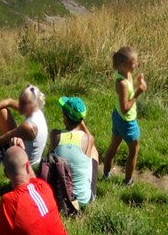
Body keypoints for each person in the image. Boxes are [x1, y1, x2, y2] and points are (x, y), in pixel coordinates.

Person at [0, 148, 69, 235]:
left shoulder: (10, 202)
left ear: (6, 173)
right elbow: (32, 175)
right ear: (28, 165)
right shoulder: (43, 187)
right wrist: (22, 152)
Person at [102, 46, 146, 183]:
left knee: (114, 145)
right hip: (126, 121)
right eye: (134, 63)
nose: (137, 64)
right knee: (134, 150)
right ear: (123, 65)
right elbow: (125, 107)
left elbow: (128, 90)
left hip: (117, 117)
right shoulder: (121, 83)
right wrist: (139, 92)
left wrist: (137, 82)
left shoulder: (125, 74)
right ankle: (128, 181)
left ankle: (106, 174)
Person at [0, 85, 49, 166]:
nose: (19, 104)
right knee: (3, 111)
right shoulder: (36, 110)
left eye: (23, 103)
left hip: (19, 163)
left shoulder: (28, 127)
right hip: (22, 152)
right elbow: (9, 102)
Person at [51, 97, 98, 209]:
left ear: (65, 117)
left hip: (59, 200)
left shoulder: (55, 135)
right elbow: (89, 138)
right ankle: (92, 190)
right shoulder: (88, 139)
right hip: (83, 200)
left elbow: (50, 158)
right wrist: (82, 123)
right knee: (94, 153)